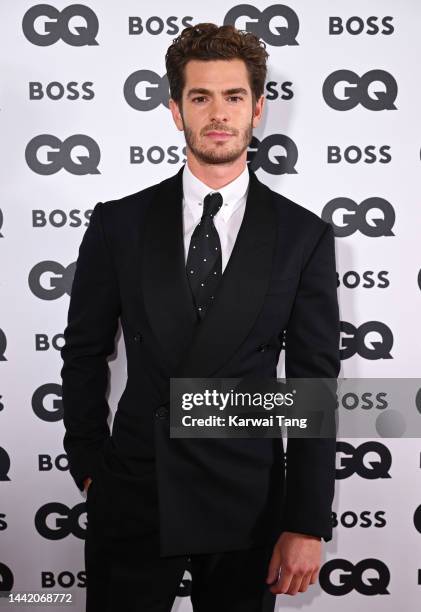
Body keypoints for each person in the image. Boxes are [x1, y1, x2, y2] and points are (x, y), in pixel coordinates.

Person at [60, 22, 340, 612]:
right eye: (200, 97)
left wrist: (307, 521)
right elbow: (85, 351)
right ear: (174, 109)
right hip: (136, 491)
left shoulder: (303, 235)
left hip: (248, 498)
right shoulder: (119, 223)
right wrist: (89, 463)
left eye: (234, 97)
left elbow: (313, 384)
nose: (218, 113)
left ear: (258, 109)